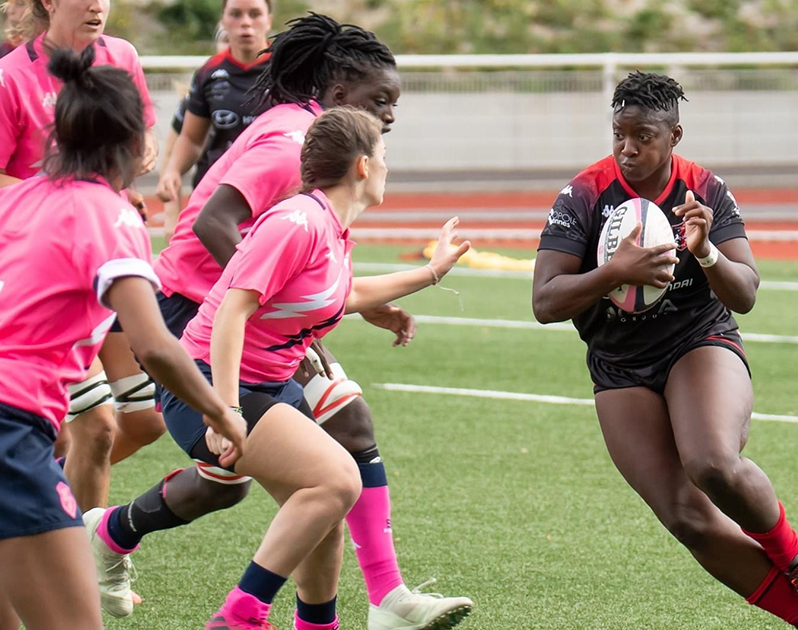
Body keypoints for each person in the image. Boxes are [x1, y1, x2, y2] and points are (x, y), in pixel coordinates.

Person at [89, 14, 475, 628]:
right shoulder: (292, 152)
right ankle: (251, 606)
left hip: (245, 324)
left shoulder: (324, 205)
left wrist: (410, 281)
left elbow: (315, 276)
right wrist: (258, 321)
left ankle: (357, 607)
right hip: (198, 309)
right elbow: (221, 227)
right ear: (342, 101)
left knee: (308, 472)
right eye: (382, 102)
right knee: (317, 469)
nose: (392, 118)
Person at [533, 71, 798, 630]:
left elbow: (746, 293)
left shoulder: (705, 189)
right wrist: (613, 272)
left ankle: (797, 556)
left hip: (697, 340)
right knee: (686, 518)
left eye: (644, 136)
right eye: (618, 134)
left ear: (674, 136)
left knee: (711, 463)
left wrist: (705, 254)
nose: (628, 149)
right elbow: (544, 300)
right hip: (619, 364)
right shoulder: (582, 195)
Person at [151, 106, 466, 629]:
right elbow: (232, 310)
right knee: (339, 479)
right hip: (207, 388)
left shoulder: (331, 228)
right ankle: (240, 614)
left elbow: (346, 294)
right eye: (384, 154)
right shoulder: (297, 221)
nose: (388, 165)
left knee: (324, 516)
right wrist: (224, 412)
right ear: (363, 166)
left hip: (265, 386)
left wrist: (432, 271)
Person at [0, 46, 244, 630]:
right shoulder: (112, 217)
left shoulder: (19, 197)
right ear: (136, 143)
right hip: (11, 429)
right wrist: (222, 413)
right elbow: (155, 345)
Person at [0, 0, 164, 514]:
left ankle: (44, 514)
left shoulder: (122, 56)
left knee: (145, 418)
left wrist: (122, 172)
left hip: (108, 252)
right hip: (47, 270)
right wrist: (71, 195)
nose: (98, 5)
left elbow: (142, 143)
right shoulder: (9, 78)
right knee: (91, 428)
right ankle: (87, 564)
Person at [157, 0, 272, 235]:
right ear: (223, 21)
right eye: (236, 15)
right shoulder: (208, 72)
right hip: (215, 196)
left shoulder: (287, 69)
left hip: (270, 195)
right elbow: (190, 138)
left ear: (269, 20)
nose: (246, 23)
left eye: (255, 14)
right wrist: (173, 171)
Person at [159, 25, 230, 237]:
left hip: (260, 201)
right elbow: (171, 155)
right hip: (208, 201)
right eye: (225, 39)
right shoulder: (199, 96)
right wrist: (172, 216)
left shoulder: (271, 89)